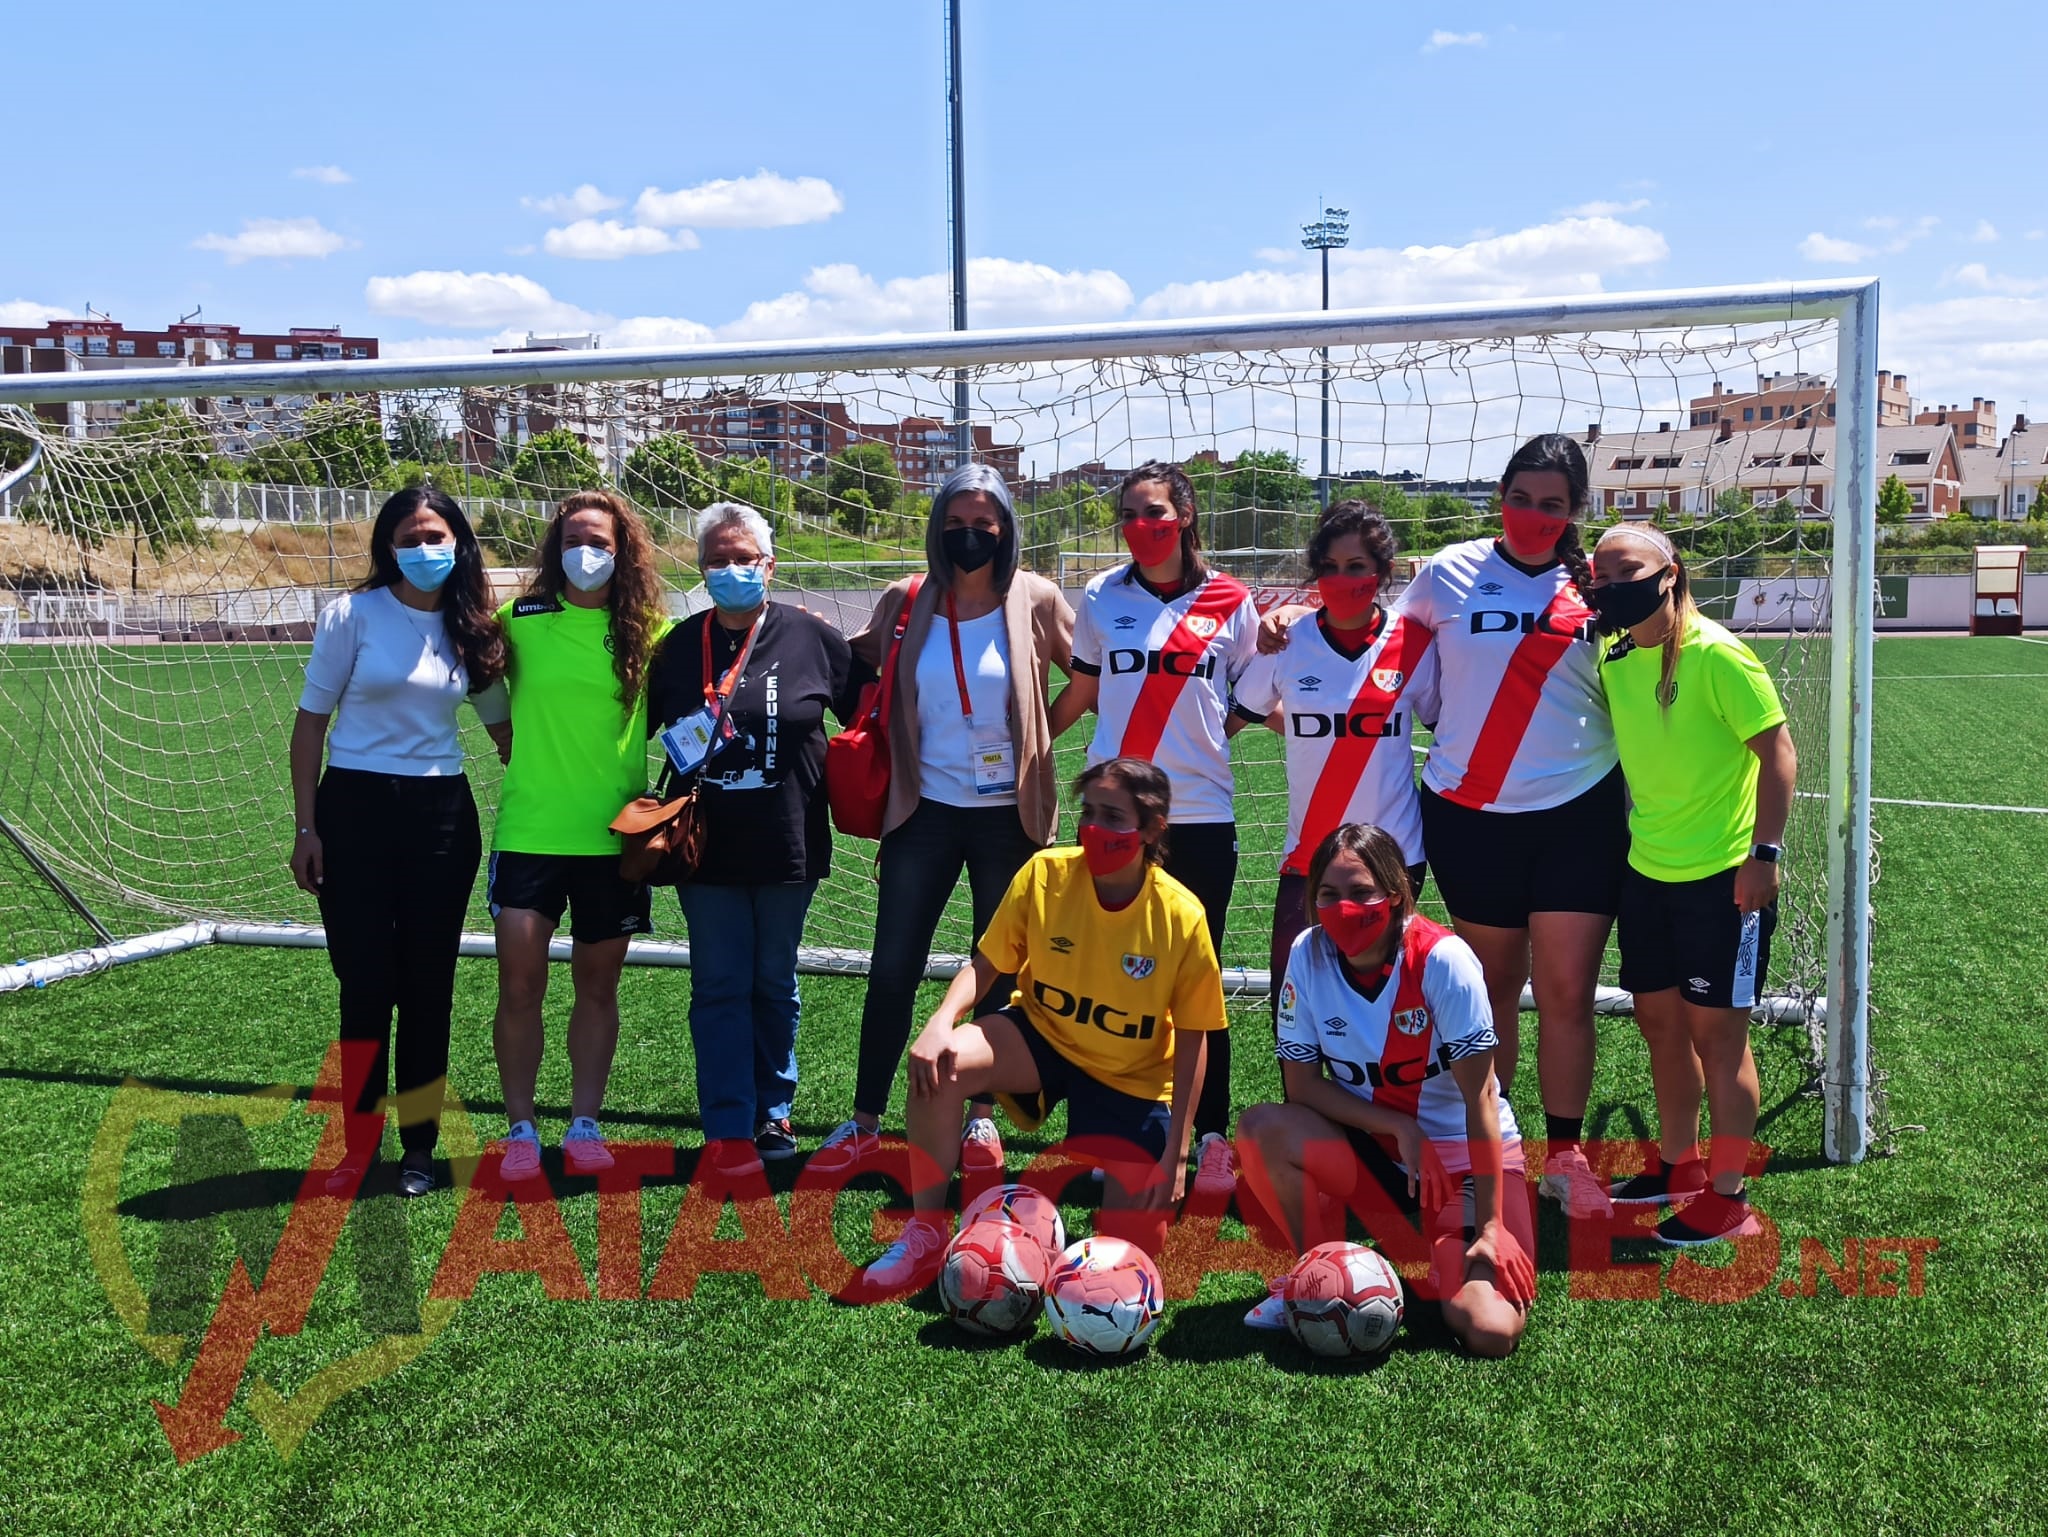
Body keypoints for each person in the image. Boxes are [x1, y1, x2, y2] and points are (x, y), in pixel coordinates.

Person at [860, 758, 1229, 1289]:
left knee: (1131, 1265)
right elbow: (986, 964)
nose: (1096, 828)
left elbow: (1196, 1039)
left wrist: (1177, 1155)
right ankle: (925, 1233)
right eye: (1090, 812)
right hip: (1042, 1036)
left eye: (1115, 817)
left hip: (1133, 1076)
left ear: (1152, 831)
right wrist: (941, 1020)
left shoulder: (1181, 915)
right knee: (939, 1065)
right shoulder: (1046, 874)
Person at [1383, 434, 1626, 1219]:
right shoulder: (1444, 573)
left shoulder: (1600, 587)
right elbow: (1383, 659)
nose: (1532, 515)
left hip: (1579, 813)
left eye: (1551, 504)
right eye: (1520, 497)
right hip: (1469, 814)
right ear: (1500, 497)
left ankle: (1566, 1156)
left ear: (1573, 513)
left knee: (1565, 992)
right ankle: (1497, 1144)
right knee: (1487, 995)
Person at [812, 464, 1076, 1176]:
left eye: (984, 525)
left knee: (997, 972)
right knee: (892, 966)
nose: (970, 536)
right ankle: (865, 1118)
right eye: (956, 524)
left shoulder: (1037, 598)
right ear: (936, 529)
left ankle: (981, 1118)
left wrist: (1041, 735)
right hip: (921, 810)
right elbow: (857, 662)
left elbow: (1090, 675)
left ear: (1007, 530)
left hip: (1008, 817)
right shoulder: (907, 599)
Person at [1236, 822, 1537, 1357]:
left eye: (1361, 893)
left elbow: (1482, 1098)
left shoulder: (1444, 960)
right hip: (1382, 1151)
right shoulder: (1307, 955)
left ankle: (1454, 1242)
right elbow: (1301, 1088)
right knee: (1263, 1129)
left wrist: (1491, 1225)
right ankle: (1318, 1279)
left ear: (1396, 896)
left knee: (1490, 1329)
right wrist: (1398, 1126)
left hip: (1460, 1167)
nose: (1343, 908)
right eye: (1328, 895)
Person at [1047, 461, 1260, 1197]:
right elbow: (1083, 688)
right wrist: (1034, 742)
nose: (1144, 527)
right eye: (1131, 515)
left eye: (1157, 512)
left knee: (1197, 987)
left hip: (1200, 815)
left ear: (1188, 512)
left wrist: (1204, 740)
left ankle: (1210, 1135)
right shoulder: (1104, 594)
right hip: (1115, 815)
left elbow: (1254, 694)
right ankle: (1110, 1131)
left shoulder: (1233, 599)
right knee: (1106, 976)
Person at [289, 487, 506, 1197]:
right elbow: (309, 728)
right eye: (411, 536)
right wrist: (307, 826)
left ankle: (418, 1147)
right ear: (387, 544)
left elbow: (505, 733)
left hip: (441, 816)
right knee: (364, 984)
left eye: (437, 535)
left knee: (428, 989)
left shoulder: (471, 625)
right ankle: (357, 1148)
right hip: (353, 810)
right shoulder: (351, 615)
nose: (425, 548)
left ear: (459, 542)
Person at [1589, 523, 1796, 1245]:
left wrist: (1763, 856)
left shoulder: (1719, 655)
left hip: (1725, 882)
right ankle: (1676, 1166)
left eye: (1629, 572)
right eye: (1602, 575)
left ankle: (1729, 1195)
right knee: (1661, 1027)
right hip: (1647, 875)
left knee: (1720, 1037)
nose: (1615, 587)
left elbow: (1778, 754)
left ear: (1671, 573)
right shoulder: (1614, 657)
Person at [645, 502, 860, 1175]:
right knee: (718, 982)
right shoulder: (679, 647)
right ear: (702, 568)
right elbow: (631, 731)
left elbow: (865, 719)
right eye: (719, 559)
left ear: (770, 564)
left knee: (773, 979)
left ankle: (774, 1111)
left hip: (788, 842)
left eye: (746, 558)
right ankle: (728, 1122)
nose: (733, 569)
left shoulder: (812, 638)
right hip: (702, 846)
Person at [481, 488, 670, 1181]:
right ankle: (521, 1128)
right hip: (529, 832)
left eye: (600, 542)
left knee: (598, 987)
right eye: (572, 540)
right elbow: (475, 667)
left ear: (622, 554)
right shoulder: (521, 619)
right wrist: (499, 727)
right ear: (554, 547)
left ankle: (585, 1121)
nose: (585, 553)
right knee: (520, 983)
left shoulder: (648, 630)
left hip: (612, 840)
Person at [1232, 501, 1437, 1020]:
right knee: (1294, 1007)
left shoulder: (1414, 643)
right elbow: (1239, 714)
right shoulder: (1288, 642)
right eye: (1330, 568)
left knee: (1384, 1009)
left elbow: (1448, 726)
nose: (1342, 579)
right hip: (1309, 857)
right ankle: (1302, 1104)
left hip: (1394, 859)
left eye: (1357, 567)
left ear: (1383, 572)